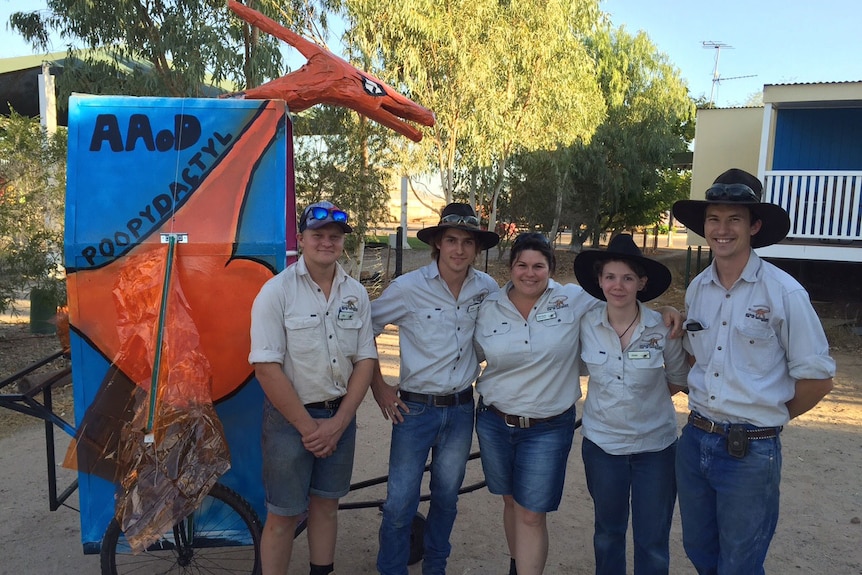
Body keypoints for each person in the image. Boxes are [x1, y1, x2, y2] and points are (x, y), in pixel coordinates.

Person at [672, 168, 836, 574]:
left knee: (740, 564)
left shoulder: (784, 293)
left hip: (749, 452)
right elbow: (698, 357)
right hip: (695, 440)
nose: (722, 229)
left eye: (734, 219)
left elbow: (818, 379)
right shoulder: (698, 288)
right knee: (700, 551)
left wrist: (764, 417)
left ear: (754, 226)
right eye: (714, 219)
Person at [370, 203, 500, 575]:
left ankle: (435, 567)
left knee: (446, 498)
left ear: (477, 248)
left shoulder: (487, 289)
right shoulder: (408, 288)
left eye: (467, 242)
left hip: (461, 409)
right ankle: (392, 569)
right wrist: (379, 387)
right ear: (438, 245)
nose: (459, 250)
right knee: (400, 501)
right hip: (414, 411)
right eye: (451, 241)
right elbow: (365, 330)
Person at [249, 200, 377, 575]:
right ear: (301, 239)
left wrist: (338, 423)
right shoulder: (276, 293)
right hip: (291, 424)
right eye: (318, 235)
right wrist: (310, 429)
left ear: (343, 243)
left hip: (340, 417)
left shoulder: (356, 294)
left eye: (335, 236)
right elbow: (266, 369)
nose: (327, 242)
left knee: (326, 506)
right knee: (283, 516)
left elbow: (366, 360)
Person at [472, 232, 595, 575]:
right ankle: (518, 564)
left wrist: (669, 313)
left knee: (531, 512)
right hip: (495, 421)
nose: (530, 273)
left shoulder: (573, 299)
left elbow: (621, 298)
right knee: (510, 501)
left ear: (551, 268)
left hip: (548, 426)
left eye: (538, 266)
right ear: (510, 267)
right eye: (521, 265)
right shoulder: (489, 307)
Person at [573, 234, 689, 575]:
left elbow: (679, 377)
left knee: (652, 539)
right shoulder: (585, 324)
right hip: (603, 446)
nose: (618, 285)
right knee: (608, 534)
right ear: (599, 281)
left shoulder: (662, 327)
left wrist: (643, 401)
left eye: (627, 277)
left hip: (656, 448)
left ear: (642, 282)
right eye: (610, 276)